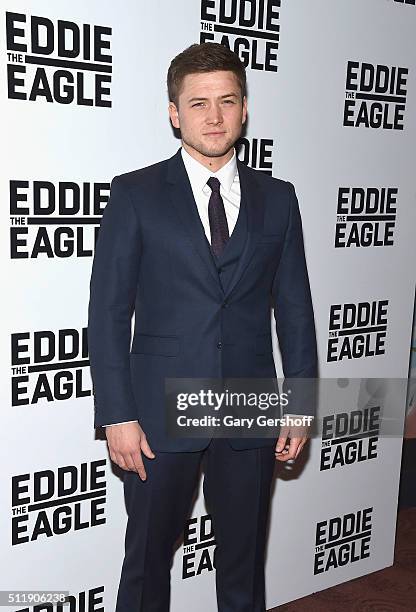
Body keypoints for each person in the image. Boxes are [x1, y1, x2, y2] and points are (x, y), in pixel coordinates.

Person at [88, 42, 318, 612]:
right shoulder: (135, 194)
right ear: (175, 113)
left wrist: (301, 401)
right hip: (160, 410)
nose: (213, 117)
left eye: (226, 101)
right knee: (144, 567)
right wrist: (117, 413)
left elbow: (295, 308)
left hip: (249, 405)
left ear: (244, 108)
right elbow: (108, 313)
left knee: (243, 571)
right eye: (198, 104)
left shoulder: (279, 199)